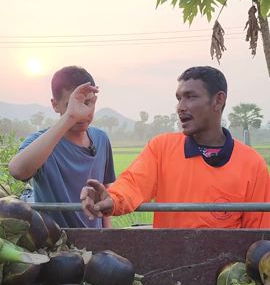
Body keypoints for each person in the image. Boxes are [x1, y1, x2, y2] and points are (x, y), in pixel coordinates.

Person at [80, 66, 270, 229]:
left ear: (218, 100)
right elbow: (132, 184)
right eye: (179, 98)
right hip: (171, 267)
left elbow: (258, 235)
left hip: (227, 270)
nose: (180, 107)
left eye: (190, 97)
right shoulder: (162, 149)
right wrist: (111, 199)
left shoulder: (251, 164)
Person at [9, 66, 115, 228]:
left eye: (86, 103)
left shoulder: (101, 139)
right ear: (55, 105)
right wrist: (70, 117)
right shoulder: (42, 143)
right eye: (71, 104)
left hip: (96, 241)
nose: (81, 112)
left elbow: (105, 192)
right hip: (56, 243)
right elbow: (17, 170)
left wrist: (108, 235)